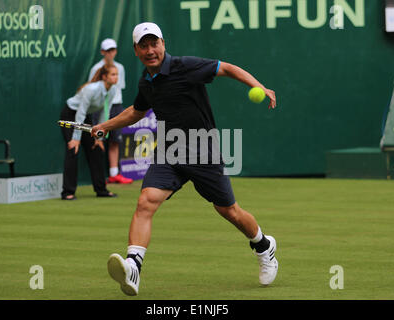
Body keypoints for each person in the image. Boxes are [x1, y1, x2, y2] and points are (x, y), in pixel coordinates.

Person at [91, 22, 278, 296]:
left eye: (154, 43)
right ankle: (133, 266)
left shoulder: (186, 66)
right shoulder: (146, 81)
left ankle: (264, 246)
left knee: (229, 211)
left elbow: (226, 68)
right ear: (136, 51)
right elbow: (137, 111)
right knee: (146, 201)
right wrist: (104, 126)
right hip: (169, 151)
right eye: (144, 45)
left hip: (203, 151)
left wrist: (258, 85)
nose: (150, 50)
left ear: (163, 44)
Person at [60, 63, 119, 200]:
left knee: (96, 149)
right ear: (104, 77)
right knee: (73, 150)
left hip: (85, 117)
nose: (116, 78)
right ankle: (67, 192)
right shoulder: (91, 89)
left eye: (117, 75)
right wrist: (76, 138)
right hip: (71, 115)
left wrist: (99, 138)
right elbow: (80, 113)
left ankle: (101, 190)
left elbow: (104, 114)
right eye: (113, 74)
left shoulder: (112, 90)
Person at [88, 38, 133, 185]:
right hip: (100, 107)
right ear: (102, 52)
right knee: (98, 139)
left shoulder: (120, 68)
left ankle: (114, 174)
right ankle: (100, 177)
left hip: (116, 106)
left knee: (115, 140)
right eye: (107, 51)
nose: (110, 53)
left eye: (113, 50)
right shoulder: (96, 69)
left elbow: (119, 89)